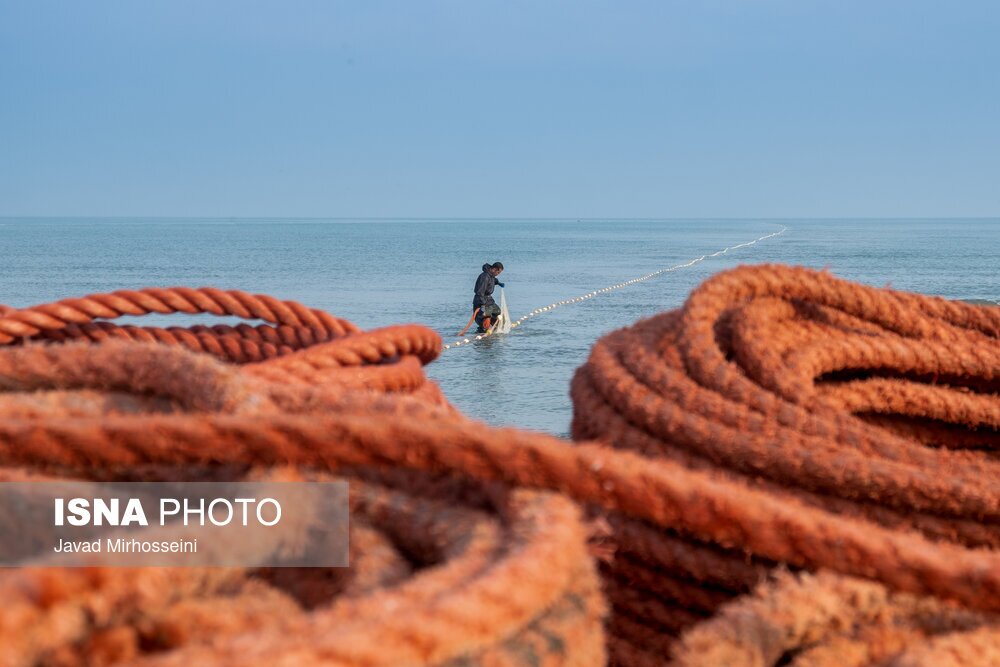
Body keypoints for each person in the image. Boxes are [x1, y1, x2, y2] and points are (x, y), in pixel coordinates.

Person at [473, 261, 505, 332]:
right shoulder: (484, 277)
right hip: (481, 301)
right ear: (494, 269)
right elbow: (480, 292)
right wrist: (482, 305)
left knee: (498, 313)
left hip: (489, 300)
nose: (498, 274)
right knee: (485, 319)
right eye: (498, 272)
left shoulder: (491, 275)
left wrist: (498, 283)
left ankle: (494, 330)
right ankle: (482, 333)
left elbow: (493, 280)